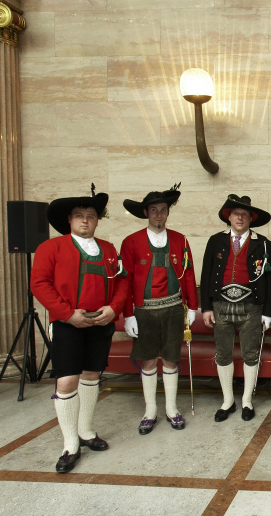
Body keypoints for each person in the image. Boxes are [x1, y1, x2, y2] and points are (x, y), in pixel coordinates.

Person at [31, 186, 128, 473]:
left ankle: (86, 431)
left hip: (101, 323)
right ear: (69, 221)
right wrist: (67, 314)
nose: (85, 220)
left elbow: (122, 283)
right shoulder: (51, 248)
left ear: (97, 221)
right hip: (68, 324)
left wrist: (113, 309)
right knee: (66, 382)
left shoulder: (109, 249)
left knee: (91, 375)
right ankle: (70, 443)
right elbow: (39, 284)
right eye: (79, 216)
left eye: (90, 216)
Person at [120, 185, 198, 435]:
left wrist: (193, 307)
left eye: (163, 210)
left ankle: (172, 409)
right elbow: (125, 280)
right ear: (146, 213)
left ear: (167, 213)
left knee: (172, 359)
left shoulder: (180, 239)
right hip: (144, 312)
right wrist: (128, 314)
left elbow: (188, 275)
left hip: (174, 308)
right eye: (154, 210)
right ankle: (150, 410)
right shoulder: (130, 242)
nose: (159, 215)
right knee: (149, 360)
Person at [200, 195, 271, 423]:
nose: (240, 218)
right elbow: (205, 275)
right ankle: (227, 401)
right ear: (229, 217)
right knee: (223, 354)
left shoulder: (263, 244)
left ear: (251, 218)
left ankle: (246, 400)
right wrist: (206, 307)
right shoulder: (216, 241)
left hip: (252, 308)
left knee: (250, 354)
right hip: (220, 306)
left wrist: (268, 312)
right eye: (236, 214)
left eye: (245, 214)